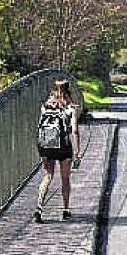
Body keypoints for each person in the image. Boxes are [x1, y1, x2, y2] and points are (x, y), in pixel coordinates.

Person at [37, 79, 83, 220]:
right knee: (65, 178)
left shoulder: (45, 106)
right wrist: (77, 152)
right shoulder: (71, 108)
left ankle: (39, 207)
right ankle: (66, 209)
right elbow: (74, 131)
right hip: (63, 146)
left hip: (46, 145)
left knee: (47, 176)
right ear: (69, 91)